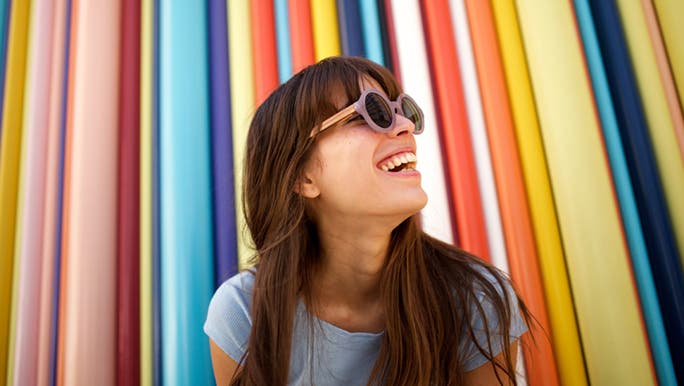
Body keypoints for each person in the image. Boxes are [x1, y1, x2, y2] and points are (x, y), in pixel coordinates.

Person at [204, 56, 530, 385]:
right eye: (372, 113)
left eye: (403, 110)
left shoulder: (474, 297)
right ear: (303, 178)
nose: (404, 126)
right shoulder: (243, 313)